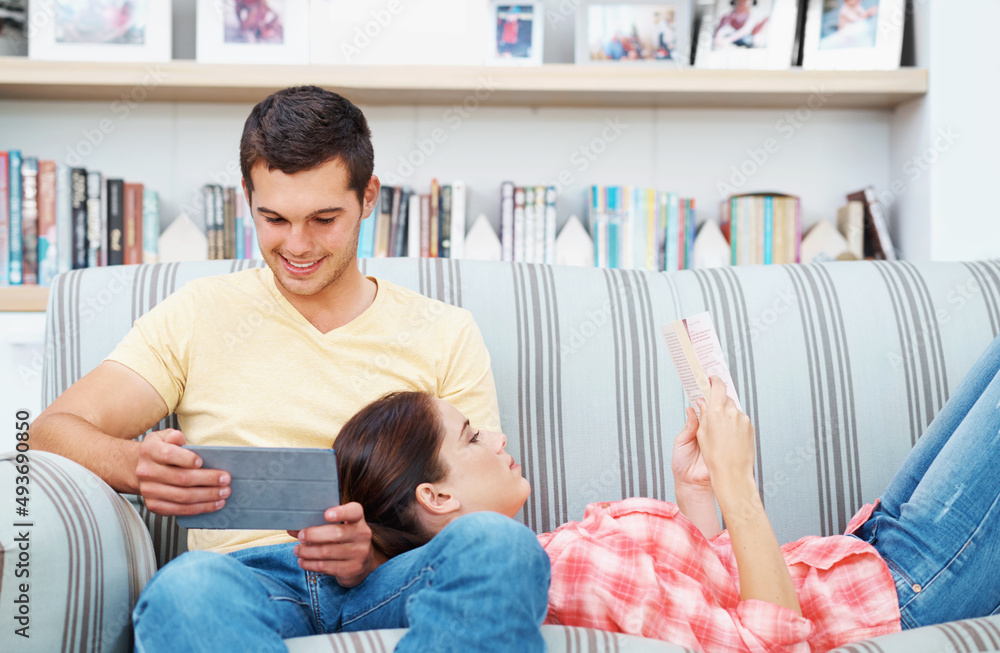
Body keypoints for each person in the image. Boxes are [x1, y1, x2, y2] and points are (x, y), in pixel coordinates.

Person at [31, 85, 532, 651]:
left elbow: (485, 506)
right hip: (249, 580)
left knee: (501, 547)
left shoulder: (445, 331)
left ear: (368, 197)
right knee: (185, 590)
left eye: (323, 218)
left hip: (391, 579)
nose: (297, 245)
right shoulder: (199, 313)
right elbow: (50, 430)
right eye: (273, 218)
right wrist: (133, 465)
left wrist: (371, 550)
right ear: (247, 196)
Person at [332, 334, 1000, 651]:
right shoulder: (571, 574)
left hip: (864, 553)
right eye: (473, 437)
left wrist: (697, 489)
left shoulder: (549, 552)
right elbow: (765, 641)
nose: (497, 437)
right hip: (903, 593)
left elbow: (715, 595)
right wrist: (738, 483)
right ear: (437, 497)